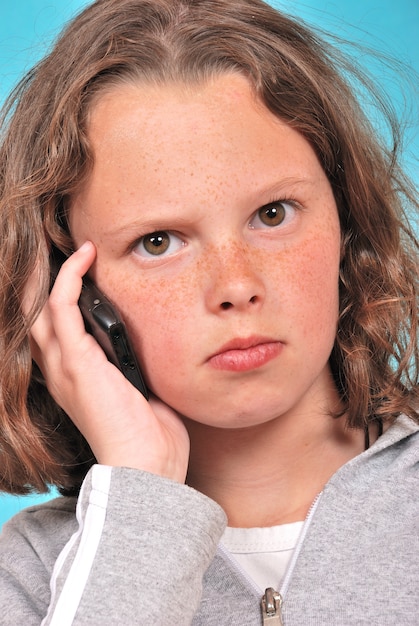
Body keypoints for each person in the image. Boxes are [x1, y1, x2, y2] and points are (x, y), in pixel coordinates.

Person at [0, 0, 417, 623]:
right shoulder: (28, 575)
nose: (236, 285)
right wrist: (143, 507)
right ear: (68, 293)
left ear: (347, 223)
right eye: (158, 242)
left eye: (273, 213)